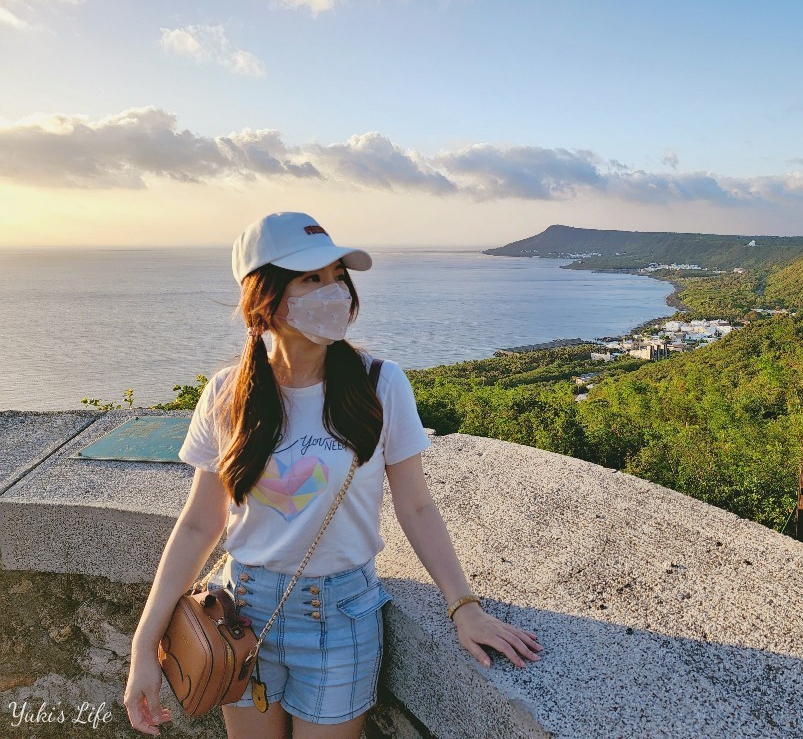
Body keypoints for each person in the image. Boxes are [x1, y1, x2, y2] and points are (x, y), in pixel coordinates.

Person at [124, 212, 543, 739]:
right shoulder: (228, 393)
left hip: (341, 619)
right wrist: (145, 644)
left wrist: (464, 606)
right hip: (240, 614)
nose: (335, 291)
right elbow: (198, 524)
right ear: (265, 296)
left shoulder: (378, 385)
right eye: (311, 278)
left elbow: (416, 506)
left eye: (337, 275)